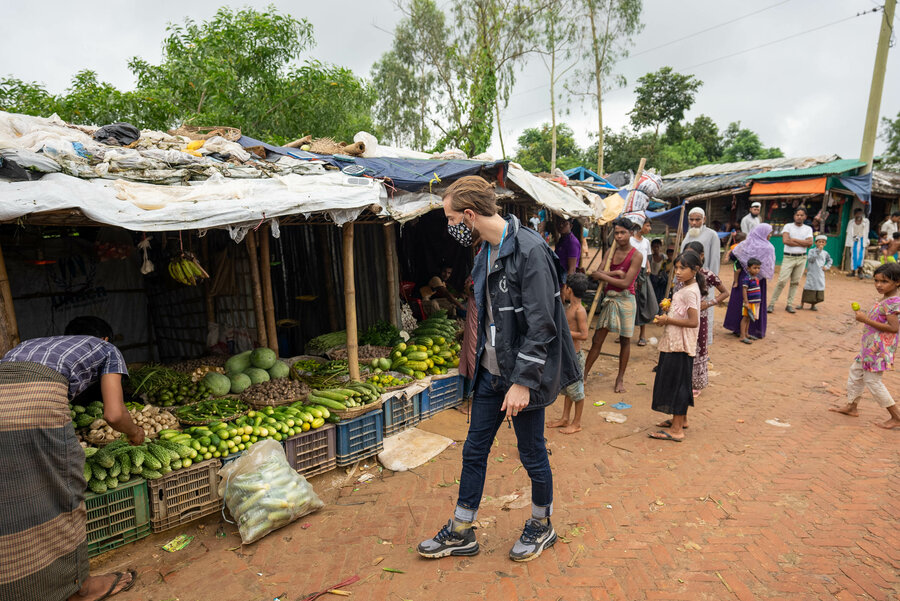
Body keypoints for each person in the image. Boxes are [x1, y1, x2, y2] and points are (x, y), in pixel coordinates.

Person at [418, 176, 580, 562]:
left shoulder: (530, 250)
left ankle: (542, 525)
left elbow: (542, 325)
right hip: (492, 374)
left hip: (525, 377)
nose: (450, 226)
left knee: (531, 453)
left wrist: (523, 383)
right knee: (474, 451)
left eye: (451, 217)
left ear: (470, 215)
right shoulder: (484, 252)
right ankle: (461, 531)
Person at [0, 316, 143, 601]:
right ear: (105, 339)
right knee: (64, 492)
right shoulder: (108, 350)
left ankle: (19, 590)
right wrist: (135, 432)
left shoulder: (29, 345)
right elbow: (113, 414)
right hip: (38, 402)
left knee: (11, 501)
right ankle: (80, 587)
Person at [829, 263, 900, 430]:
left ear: (897, 282)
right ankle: (852, 406)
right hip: (869, 348)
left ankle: (896, 416)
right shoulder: (886, 300)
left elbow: (894, 328)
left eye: (884, 282)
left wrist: (865, 319)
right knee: (856, 372)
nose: (878, 285)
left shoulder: (892, 303)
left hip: (878, 349)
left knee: (872, 381)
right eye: (876, 281)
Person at [648, 250, 704, 442]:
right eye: (677, 267)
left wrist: (668, 320)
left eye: (683, 268)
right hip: (674, 343)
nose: (678, 272)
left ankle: (677, 429)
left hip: (680, 346)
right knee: (679, 382)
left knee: (677, 385)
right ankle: (681, 420)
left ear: (695, 270)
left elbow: (693, 321)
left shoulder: (690, 291)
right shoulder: (685, 288)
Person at [585, 218, 643, 393]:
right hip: (609, 299)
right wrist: (615, 272)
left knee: (625, 341)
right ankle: (584, 375)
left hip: (626, 299)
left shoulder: (637, 255)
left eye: (622, 233)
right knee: (597, 340)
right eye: (616, 233)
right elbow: (595, 274)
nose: (619, 236)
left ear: (631, 233)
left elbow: (625, 283)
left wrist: (606, 275)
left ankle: (620, 379)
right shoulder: (610, 251)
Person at [680, 242, 730, 394]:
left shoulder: (707, 275)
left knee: (698, 347)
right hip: (682, 315)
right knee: (682, 346)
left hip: (699, 319)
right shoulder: (680, 273)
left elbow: (724, 293)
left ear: (701, 256)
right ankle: (681, 380)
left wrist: (708, 304)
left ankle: (695, 383)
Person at [547, 274, 589, 435]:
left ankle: (576, 423)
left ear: (569, 289)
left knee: (577, 391)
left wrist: (565, 332)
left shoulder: (579, 311)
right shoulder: (569, 308)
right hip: (567, 354)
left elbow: (584, 335)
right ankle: (565, 418)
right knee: (568, 387)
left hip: (575, 357)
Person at [724, 224, 775, 340]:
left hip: (742, 277)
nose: (770, 235)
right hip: (758, 280)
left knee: (739, 300)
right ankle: (753, 330)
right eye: (768, 233)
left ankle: (737, 329)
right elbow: (768, 266)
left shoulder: (745, 244)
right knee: (754, 302)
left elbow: (733, 255)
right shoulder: (769, 247)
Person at [680, 207, 721, 344]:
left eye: (697, 219)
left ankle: (704, 348)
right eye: (691, 219)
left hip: (704, 281)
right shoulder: (688, 234)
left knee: (705, 314)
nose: (694, 222)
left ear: (704, 220)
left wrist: (710, 281)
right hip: (687, 280)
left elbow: (714, 259)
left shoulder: (712, 235)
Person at [768, 208, 814, 314]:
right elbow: (785, 241)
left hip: (802, 258)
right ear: (794, 216)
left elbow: (810, 243)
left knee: (795, 282)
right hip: (788, 257)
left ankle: (789, 304)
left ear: (805, 217)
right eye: (797, 215)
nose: (799, 217)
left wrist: (794, 240)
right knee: (782, 281)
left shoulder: (808, 228)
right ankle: (771, 304)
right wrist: (803, 242)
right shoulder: (788, 226)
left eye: (802, 215)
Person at [630, 219, 657, 346]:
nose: (649, 228)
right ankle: (624, 334)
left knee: (644, 302)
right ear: (641, 225)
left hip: (643, 275)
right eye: (647, 225)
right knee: (629, 303)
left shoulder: (646, 241)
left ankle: (642, 335)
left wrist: (648, 267)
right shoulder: (630, 240)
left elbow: (646, 256)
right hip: (631, 274)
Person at [799, 235, 833, 311]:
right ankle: (802, 304)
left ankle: (813, 305)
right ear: (815, 243)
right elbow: (811, 260)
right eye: (819, 242)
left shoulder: (825, 253)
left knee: (818, 288)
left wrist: (827, 267)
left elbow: (830, 260)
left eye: (823, 242)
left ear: (825, 244)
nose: (821, 243)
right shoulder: (812, 251)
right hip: (811, 273)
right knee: (808, 287)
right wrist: (818, 251)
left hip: (820, 274)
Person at [739, 259, 763, 344]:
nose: (757, 270)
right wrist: (746, 302)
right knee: (745, 318)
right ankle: (742, 336)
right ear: (748, 268)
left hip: (754, 302)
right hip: (749, 302)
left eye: (758, 268)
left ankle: (746, 333)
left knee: (749, 318)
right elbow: (744, 290)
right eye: (755, 268)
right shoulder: (747, 278)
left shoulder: (756, 278)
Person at [844, 208, 870, 279]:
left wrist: (866, 242)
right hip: (853, 240)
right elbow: (848, 232)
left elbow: (867, 232)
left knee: (861, 257)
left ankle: (860, 272)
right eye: (858, 214)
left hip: (861, 241)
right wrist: (848, 242)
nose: (859, 215)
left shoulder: (866, 221)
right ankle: (853, 271)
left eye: (860, 213)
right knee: (853, 256)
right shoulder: (851, 222)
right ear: (854, 214)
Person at [648, 238, 669, 309]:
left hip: (661, 281)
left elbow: (666, 269)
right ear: (651, 247)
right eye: (654, 247)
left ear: (660, 247)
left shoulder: (664, 257)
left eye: (658, 247)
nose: (656, 248)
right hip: (651, 280)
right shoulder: (650, 258)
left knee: (660, 296)